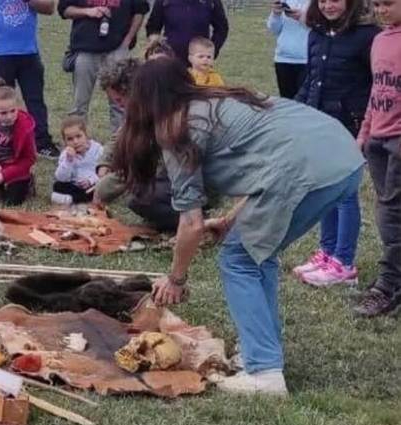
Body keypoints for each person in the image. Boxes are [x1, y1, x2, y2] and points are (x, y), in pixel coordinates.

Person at [112, 58, 365, 395]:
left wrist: (175, 279)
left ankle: (265, 373)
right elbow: (264, 161)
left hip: (308, 170)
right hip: (342, 157)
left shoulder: (175, 126)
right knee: (258, 255)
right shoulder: (218, 98)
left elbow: (190, 221)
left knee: (239, 260)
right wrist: (232, 220)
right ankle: (262, 352)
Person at [291, 0, 378, 287]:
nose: (329, 5)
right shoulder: (316, 34)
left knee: (345, 193)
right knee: (325, 189)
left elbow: (378, 84)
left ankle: (344, 262)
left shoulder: (367, 36)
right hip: (319, 124)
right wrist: (297, 112)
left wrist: (366, 126)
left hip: (349, 126)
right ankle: (327, 252)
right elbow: (311, 78)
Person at [94, 57, 183, 232]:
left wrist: (106, 187)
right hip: (171, 173)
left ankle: (191, 218)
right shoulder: (139, 108)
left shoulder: (162, 112)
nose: (120, 105)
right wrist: (104, 163)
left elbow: (148, 164)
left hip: (186, 175)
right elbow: (120, 135)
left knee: (140, 198)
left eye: (120, 100)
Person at [354, 0, 401, 316]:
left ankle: (388, 286)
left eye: (389, 3)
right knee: (387, 208)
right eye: (376, 4)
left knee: (391, 213)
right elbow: (376, 90)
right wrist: (365, 133)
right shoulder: (380, 40)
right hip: (378, 139)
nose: (382, 10)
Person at [0, 0, 58, 158]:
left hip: (29, 52)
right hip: (2, 54)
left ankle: (42, 142)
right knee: (4, 101)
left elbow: (49, 8)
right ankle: (3, 141)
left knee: (35, 100)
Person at [58, 0, 149, 134]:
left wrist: (127, 40)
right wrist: (88, 12)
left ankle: (119, 146)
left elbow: (140, 11)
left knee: (120, 104)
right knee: (80, 104)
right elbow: (64, 10)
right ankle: (78, 146)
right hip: (85, 49)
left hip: (116, 49)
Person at [145, 0, 229, 63]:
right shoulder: (164, 1)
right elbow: (153, 27)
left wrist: (211, 51)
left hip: (198, 64)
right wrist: (158, 51)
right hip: (171, 61)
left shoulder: (211, 2)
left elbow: (222, 28)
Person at [52, 116, 103, 205]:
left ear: (86, 135)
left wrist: (90, 181)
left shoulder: (97, 150)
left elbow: (103, 173)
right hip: (74, 185)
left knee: (101, 188)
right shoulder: (66, 154)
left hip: (93, 185)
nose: (75, 142)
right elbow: (61, 178)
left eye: (79, 136)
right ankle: (75, 198)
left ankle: (71, 199)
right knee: (57, 185)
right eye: (70, 139)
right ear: (65, 142)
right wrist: (69, 161)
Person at [266, 0, 308, 98]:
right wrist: (275, 14)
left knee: (306, 103)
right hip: (283, 59)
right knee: (287, 102)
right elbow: (274, 29)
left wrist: (302, 17)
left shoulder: (317, 3)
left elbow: (322, 27)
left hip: (307, 60)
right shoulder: (284, 1)